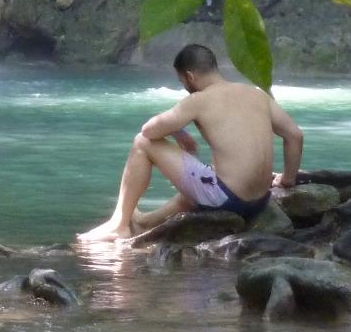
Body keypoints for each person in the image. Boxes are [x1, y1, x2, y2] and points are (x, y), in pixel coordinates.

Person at [76, 44, 303, 243]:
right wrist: (287, 179)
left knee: (142, 142)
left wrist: (177, 131)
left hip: (229, 199)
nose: (184, 86)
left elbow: (149, 131)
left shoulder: (198, 100)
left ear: (190, 77)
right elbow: (295, 136)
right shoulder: (257, 94)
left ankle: (119, 225)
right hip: (260, 200)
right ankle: (145, 222)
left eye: (181, 81)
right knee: (205, 177)